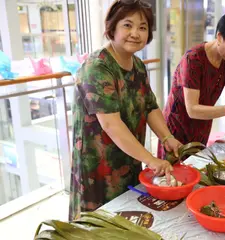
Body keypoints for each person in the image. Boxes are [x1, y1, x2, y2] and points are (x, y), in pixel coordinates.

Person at [69, 0, 182, 220]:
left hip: (129, 157)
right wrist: (152, 160)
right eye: (127, 25)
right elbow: (110, 124)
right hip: (98, 166)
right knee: (100, 226)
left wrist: (167, 137)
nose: (135, 33)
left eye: (142, 27)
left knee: (127, 219)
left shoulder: (138, 66)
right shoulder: (98, 67)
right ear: (112, 27)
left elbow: (149, 106)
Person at [157, 11, 225, 159]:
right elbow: (192, 109)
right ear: (220, 36)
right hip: (177, 128)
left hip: (202, 126)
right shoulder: (194, 59)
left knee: (196, 169)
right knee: (174, 175)